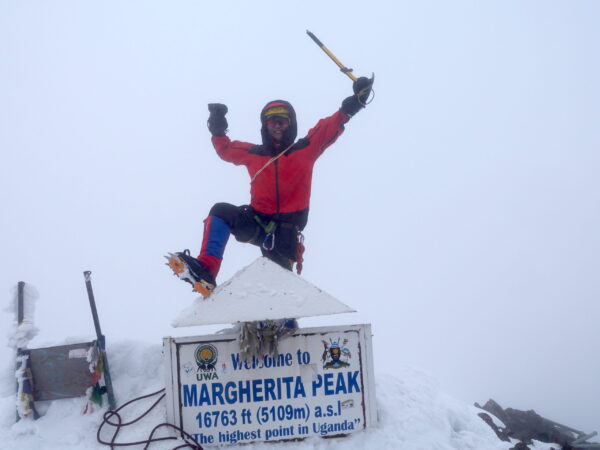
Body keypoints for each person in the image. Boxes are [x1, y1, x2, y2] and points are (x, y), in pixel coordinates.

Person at [167, 76, 374, 296]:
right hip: (257, 221)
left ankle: (286, 321)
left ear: (290, 124)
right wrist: (217, 129)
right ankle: (206, 270)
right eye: (272, 121)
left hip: (286, 231)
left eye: (282, 121)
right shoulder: (254, 154)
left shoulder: (305, 149)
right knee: (221, 211)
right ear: (265, 126)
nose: (277, 125)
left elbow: (330, 126)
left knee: (281, 288)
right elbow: (225, 150)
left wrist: (356, 101)